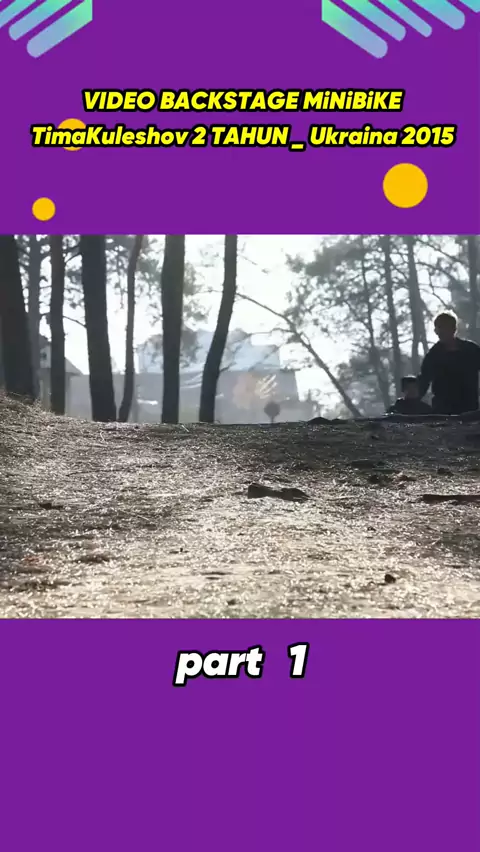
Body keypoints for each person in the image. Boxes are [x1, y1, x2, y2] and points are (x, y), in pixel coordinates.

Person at [418, 312, 480, 414]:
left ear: (453, 329)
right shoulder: (434, 355)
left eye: (442, 327)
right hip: (443, 411)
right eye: (437, 328)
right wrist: (410, 402)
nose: (438, 332)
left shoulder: (471, 350)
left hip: (469, 409)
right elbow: (424, 381)